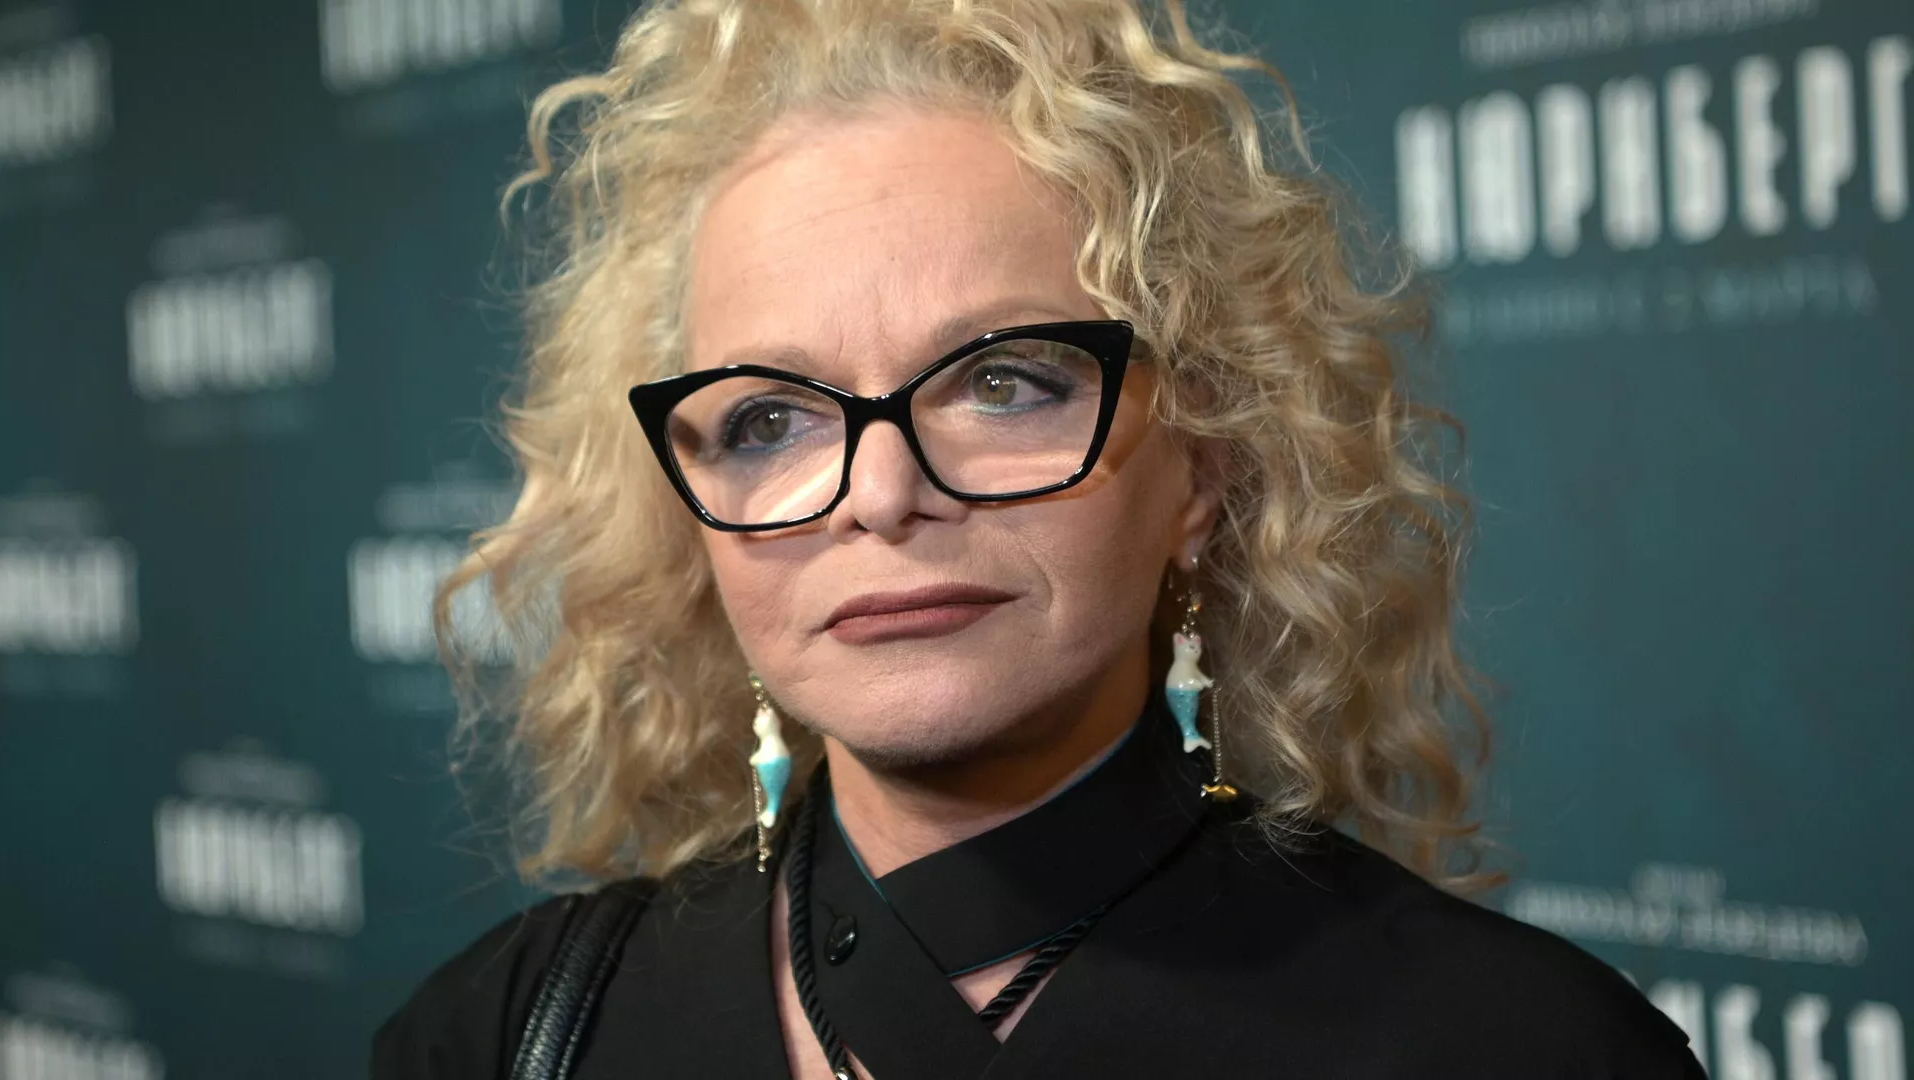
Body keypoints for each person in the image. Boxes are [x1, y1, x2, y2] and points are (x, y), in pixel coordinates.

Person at [372, 0, 1708, 1077]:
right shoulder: (507, 1033)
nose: (880, 493)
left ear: (1201, 467)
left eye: (1004, 383)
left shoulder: (1516, 1050)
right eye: (769, 420)